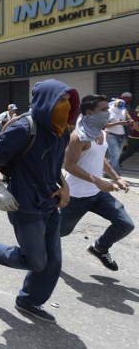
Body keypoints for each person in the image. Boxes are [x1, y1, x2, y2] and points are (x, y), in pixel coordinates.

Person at [0, 79, 80, 324]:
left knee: (53, 261)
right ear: (46, 102)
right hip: (25, 204)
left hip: (50, 200)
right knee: (35, 260)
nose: (65, 105)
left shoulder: (61, 130)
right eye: (60, 100)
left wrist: (64, 186)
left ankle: (29, 300)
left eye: (67, 101)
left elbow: (52, 164)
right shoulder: (23, 128)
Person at [61, 94, 135, 271]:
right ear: (89, 112)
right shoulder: (78, 136)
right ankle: (35, 250)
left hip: (98, 194)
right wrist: (98, 181)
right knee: (59, 232)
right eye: (103, 109)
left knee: (125, 224)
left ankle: (100, 248)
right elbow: (69, 165)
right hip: (76, 196)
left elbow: (101, 158)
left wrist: (116, 177)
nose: (107, 112)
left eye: (107, 108)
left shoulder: (100, 131)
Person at [104, 98, 132, 176]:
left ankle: (107, 172)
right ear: (115, 105)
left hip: (121, 136)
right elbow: (106, 125)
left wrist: (130, 120)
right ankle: (115, 174)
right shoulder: (109, 112)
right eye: (119, 108)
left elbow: (127, 115)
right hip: (111, 135)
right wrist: (119, 123)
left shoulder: (123, 110)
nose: (120, 109)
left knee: (115, 155)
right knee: (115, 155)